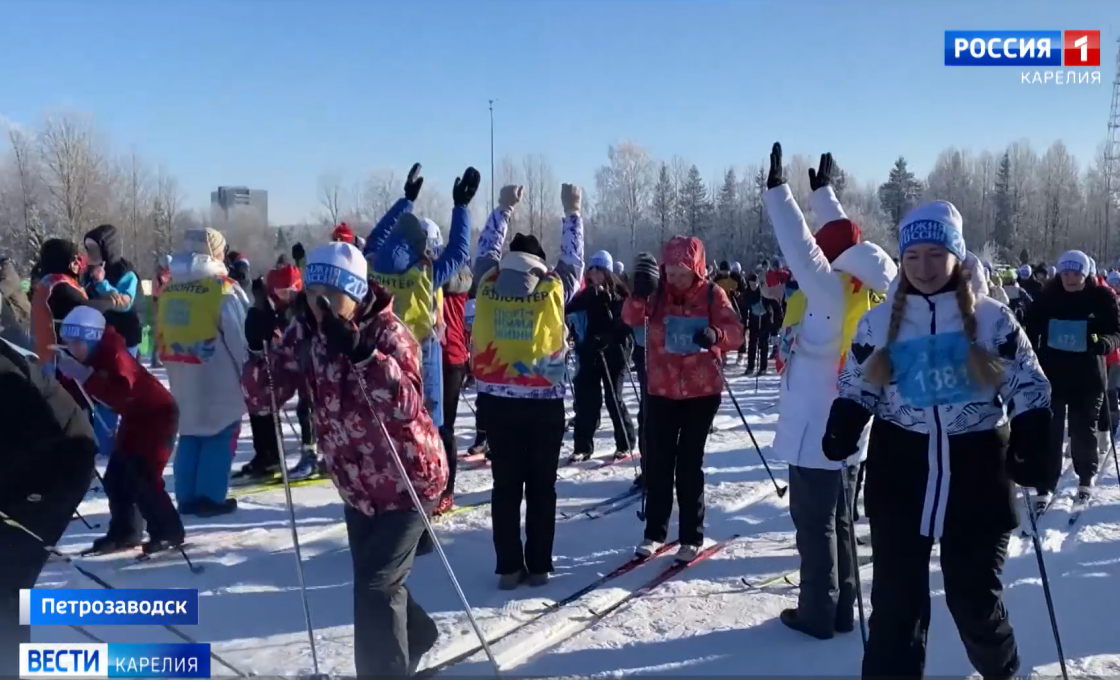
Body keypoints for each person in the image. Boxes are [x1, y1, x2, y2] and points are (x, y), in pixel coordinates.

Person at [822, 199, 1052, 678]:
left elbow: (1029, 384)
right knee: (895, 608)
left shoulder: (992, 319)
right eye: (912, 257)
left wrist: (1031, 432)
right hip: (900, 475)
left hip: (977, 478)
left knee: (974, 603)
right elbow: (857, 384)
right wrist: (845, 418)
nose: (923, 267)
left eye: (935, 254)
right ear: (901, 260)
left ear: (956, 255)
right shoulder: (880, 322)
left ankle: (1003, 672)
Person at [241, 242, 446, 677]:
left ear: (354, 293)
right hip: (357, 486)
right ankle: (419, 633)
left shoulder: (389, 334)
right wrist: (259, 349)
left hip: (410, 479)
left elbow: (407, 405)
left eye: (329, 298)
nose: (319, 309)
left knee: (375, 588)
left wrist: (362, 355)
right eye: (311, 297)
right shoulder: (307, 334)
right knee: (375, 584)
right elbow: (266, 397)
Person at [762, 147, 896, 640]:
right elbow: (843, 236)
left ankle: (818, 612)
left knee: (815, 525)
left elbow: (800, 245)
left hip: (815, 430)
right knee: (839, 521)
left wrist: (778, 192)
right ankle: (840, 608)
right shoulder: (873, 286)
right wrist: (823, 195)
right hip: (850, 429)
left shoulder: (828, 291)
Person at [471, 184, 585, 589]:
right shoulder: (553, 289)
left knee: (505, 488)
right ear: (538, 263)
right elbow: (574, 263)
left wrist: (503, 208)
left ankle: (507, 568)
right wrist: (572, 211)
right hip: (543, 403)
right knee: (542, 488)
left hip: (496, 400)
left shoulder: (486, 284)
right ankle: (538, 566)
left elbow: (483, 252)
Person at [624, 234, 743, 563]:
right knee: (659, 462)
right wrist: (638, 292)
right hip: (661, 388)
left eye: (682, 273)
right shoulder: (657, 294)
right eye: (671, 272)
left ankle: (691, 535)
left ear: (697, 269)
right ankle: (655, 532)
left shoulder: (711, 295)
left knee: (689, 463)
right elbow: (631, 317)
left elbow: (737, 332)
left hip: (701, 391)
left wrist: (716, 335)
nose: (675, 279)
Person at [0, 333, 97, 678]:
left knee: (6, 581)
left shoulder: (6, 377)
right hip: (27, 463)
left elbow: (28, 439)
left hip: (57, 465)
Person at [363, 163, 479, 443]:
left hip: (379, 355)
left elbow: (376, 237)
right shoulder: (424, 276)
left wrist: (406, 201)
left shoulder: (372, 265)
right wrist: (461, 206)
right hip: (421, 356)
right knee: (428, 427)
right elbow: (459, 251)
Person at [55, 307, 184, 556]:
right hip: (134, 417)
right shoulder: (86, 358)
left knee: (143, 474)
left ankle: (168, 531)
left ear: (92, 338)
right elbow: (78, 393)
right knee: (117, 476)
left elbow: (122, 394)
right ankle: (125, 531)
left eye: (77, 342)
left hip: (158, 414)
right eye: (67, 342)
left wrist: (85, 377)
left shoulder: (115, 355)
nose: (71, 348)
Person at [158, 229, 249, 517]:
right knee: (219, 434)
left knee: (189, 434)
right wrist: (249, 368)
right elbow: (238, 336)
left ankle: (186, 496)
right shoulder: (222, 288)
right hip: (217, 374)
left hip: (180, 369)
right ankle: (209, 496)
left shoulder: (171, 288)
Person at [1025, 249, 1120, 508]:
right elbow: (1030, 331)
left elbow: (1115, 332)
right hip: (1052, 375)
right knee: (1050, 432)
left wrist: (1103, 343)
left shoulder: (1100, 298)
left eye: (1076, 273)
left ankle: (1085, 478)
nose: (1070, 278)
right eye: (1066, 272)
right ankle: (1045, 484)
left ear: (1085, 274)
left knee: (1082, 430)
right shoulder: (1048, 298)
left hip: (1087, 376)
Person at [566, 250, 637, 462]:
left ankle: (625, 442)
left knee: (613, 399)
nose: (595, 274)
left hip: (615, 356)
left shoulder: (619, 295)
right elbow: (569, 311)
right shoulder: (585, 295)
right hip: (589, 353)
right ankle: (582, 446)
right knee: (588, 401)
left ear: (607, 272)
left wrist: (610, 334)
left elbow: (626, 324)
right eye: (592, 270)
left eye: (599, 270)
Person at [82, 224, 143, 460]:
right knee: (100, 390)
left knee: (121, 388)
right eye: (88, 248)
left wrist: (102, 283)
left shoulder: (125, 271)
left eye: (94, 248)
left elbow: (124, 302)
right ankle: (103, 444)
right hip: (99, 335)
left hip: (124, 337)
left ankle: (128, 440)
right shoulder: (90, 270)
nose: (91, 253)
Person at [437, 260, 473, 514]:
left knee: (444, 427)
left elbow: (454, 279)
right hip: (427, 357)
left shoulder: (456, 276)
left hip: (452, 358)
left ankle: (447, 490)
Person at [30, 239, 88, 372]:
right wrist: (112, 301)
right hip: (59, 364)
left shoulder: (47, 282)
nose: (78, 264)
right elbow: (89, 309)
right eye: (74, 259)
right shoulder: (60, 285)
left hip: (46, 358)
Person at [630, 253, 658, 490]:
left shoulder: (663, 300)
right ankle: (648, 468)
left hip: (665, 367)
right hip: (644, 363)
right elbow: (628, 318)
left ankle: (661, 470)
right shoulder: (635, 299)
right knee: (645, 418)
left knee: (658, 422)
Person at [741, 272, 772, 375]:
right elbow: (744, 307)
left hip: (764, 319)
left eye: (755, 283)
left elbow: (771, 304)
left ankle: (763, 367)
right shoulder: (747, 293)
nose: (753, 286)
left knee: (763, 343)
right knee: (752, 344)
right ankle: (750, 366)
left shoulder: (762, 291)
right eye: (751, 284)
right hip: (754, 319)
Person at [0, 257, 31, 351]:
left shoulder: (8, 278)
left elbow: (2, 292)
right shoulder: (7, 275)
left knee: (20, 351)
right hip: (18, 318)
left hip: (22, 320)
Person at [150, 255, 173, 368]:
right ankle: (155, 359)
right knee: (158, 332)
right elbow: (155, 293)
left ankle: (167, 357)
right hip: (158, 304)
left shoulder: (173, 276)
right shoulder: (157, 278)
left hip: (170, 305)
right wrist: (165, 287)